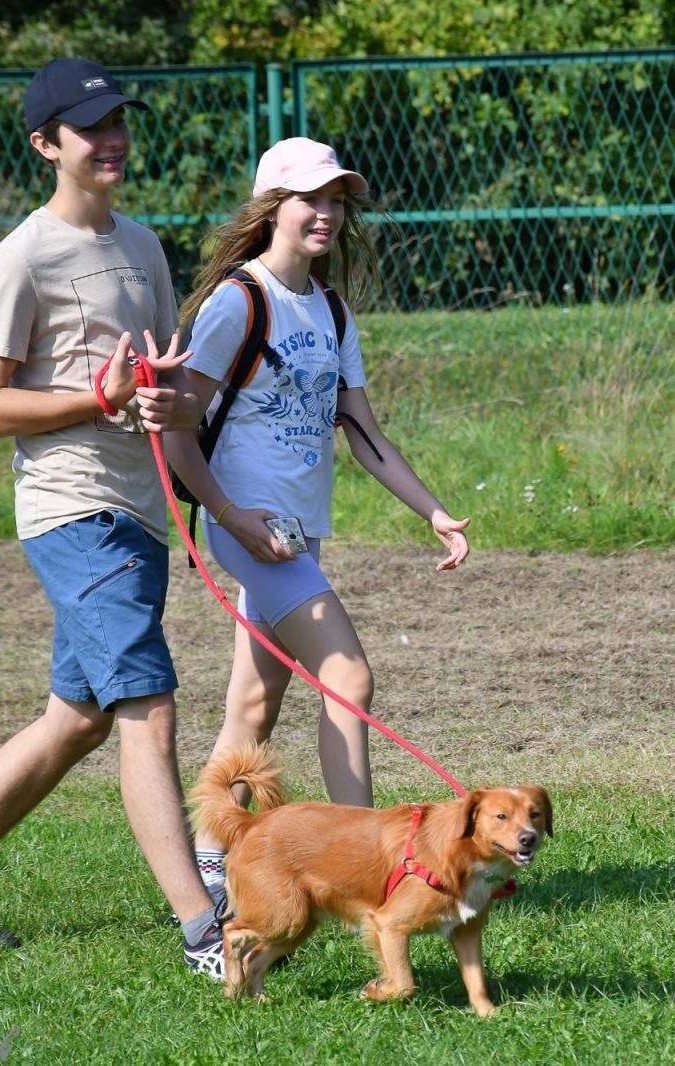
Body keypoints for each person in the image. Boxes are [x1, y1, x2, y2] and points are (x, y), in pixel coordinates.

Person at [0, 57, 227, 979]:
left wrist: (172, 402)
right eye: (90, 128)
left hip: (139, 512)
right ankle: (206, 931)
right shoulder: (23, 256)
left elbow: (166, 378)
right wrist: (96, 398)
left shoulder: (146, 246)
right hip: (74, 512)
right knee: (147, 711)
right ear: (47, 146)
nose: (112, 138)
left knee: (77, 719)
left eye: (119, 121)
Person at [164, 137, 471, 894]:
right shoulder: (241, 300)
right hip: (253, 534)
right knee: (348, 673)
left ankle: (212, 859)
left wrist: (435, 512)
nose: (327, 214)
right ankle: (371, 869)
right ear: (273, 207)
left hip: (296, 534)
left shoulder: (330, 309)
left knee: (254, 705)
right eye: (312, 199)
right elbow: (175, 432)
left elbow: (362, 430)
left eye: (337, 201)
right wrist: (230, 517)